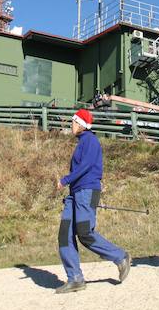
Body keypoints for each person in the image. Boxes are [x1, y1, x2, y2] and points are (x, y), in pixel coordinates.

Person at [54, 108, 131, 293]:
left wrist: (65, 180)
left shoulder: (90, 140)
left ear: (81, 123)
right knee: (65, 235)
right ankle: (75, 279)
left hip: (87, 191)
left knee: (85, 232)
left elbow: (86, 166)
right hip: (74, 195)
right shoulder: (82, 143)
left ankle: (120, 257)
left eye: (73, 121)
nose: (71, 125)